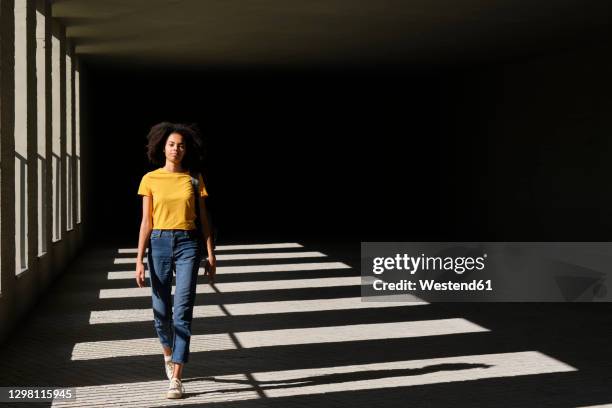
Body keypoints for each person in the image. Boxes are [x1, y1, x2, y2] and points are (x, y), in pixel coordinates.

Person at [135, 122, 216, 399]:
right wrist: (138, 260)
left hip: (188, 245)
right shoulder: (150, 179)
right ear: (162, 147)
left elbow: (203, 219)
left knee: (182, 310)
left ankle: (177, 378)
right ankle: (168, 355)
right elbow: (146, 221)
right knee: (161, 311)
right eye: (171, 144)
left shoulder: (194, 179)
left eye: (181, 145)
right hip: (157, 244)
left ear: (186, 149)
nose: (176, 149)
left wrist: (211, 253)